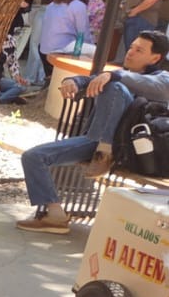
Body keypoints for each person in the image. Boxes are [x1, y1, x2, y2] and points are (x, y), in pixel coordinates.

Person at [16, 30, 169, 234]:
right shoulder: (116, 76)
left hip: (133, 150)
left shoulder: (162, 78)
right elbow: (92, 80)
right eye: (131, 47)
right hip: (93, 142)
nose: (130, 52)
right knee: (33, 157)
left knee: (114, 85)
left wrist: (113, 76)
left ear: (155, 58)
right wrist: (74, 81)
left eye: (139, 50)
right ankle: (54, 215)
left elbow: (150, 85)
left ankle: (105, 152)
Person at [26, 0, 78, 87]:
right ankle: (30, 77)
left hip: (60, 15)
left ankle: (44, 77)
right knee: (35, 43)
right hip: (43, 11)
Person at [38, 0, 93, 67]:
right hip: (62, 48)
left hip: (44, 48)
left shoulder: (52, 4)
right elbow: (83, 33)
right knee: (95, 51)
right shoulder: (79, 6)